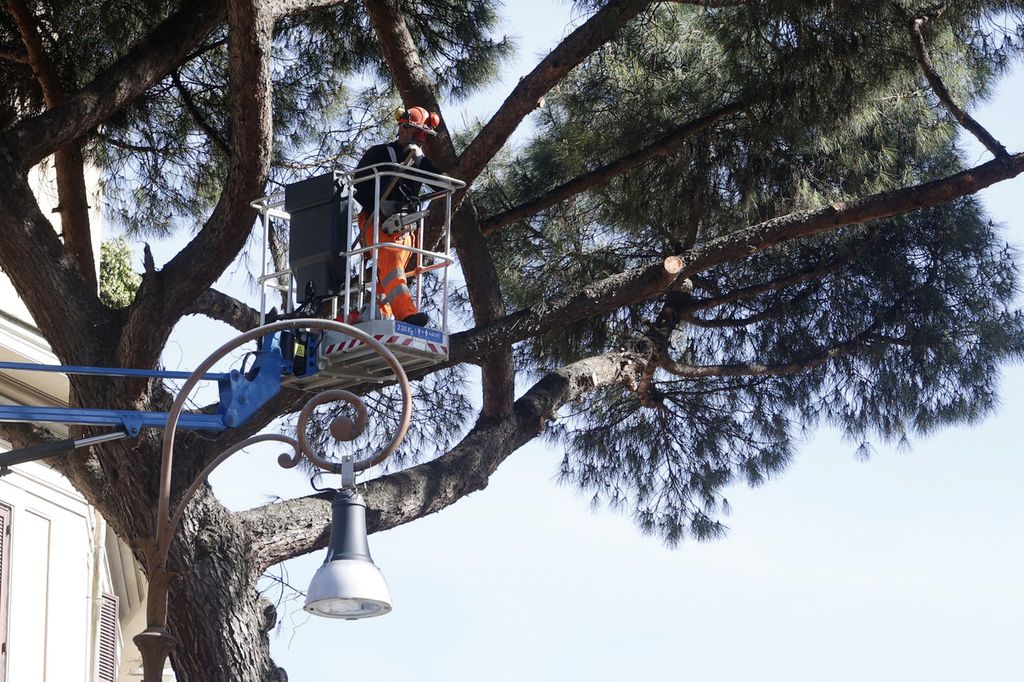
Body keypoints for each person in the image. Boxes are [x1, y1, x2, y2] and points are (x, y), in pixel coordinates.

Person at [352, 106, 445, 327]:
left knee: (388, 275)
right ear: (402, 128)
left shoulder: (419, 161)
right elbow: (358, 186)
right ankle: (406, 314)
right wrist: (381, 207)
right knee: (392, 264)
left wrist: (421, 163)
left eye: (424, 136)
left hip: (405, 228)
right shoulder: (380, 154)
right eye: (417, 133)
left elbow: (444, 183)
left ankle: (380, 316)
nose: (420, 140)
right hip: (377, 222)